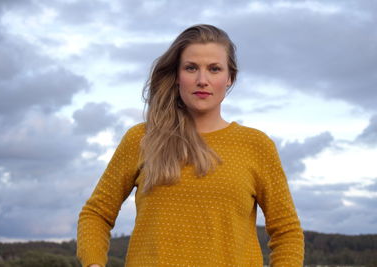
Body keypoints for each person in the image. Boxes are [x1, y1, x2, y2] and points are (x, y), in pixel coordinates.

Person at [77, 24, 304, 267]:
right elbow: (96, 213)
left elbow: (286, 231)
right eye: (191, 68)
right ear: (177, 75)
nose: (202, 80)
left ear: (229, 78)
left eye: (214, 69)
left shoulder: (256, 145)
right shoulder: (142, 139)